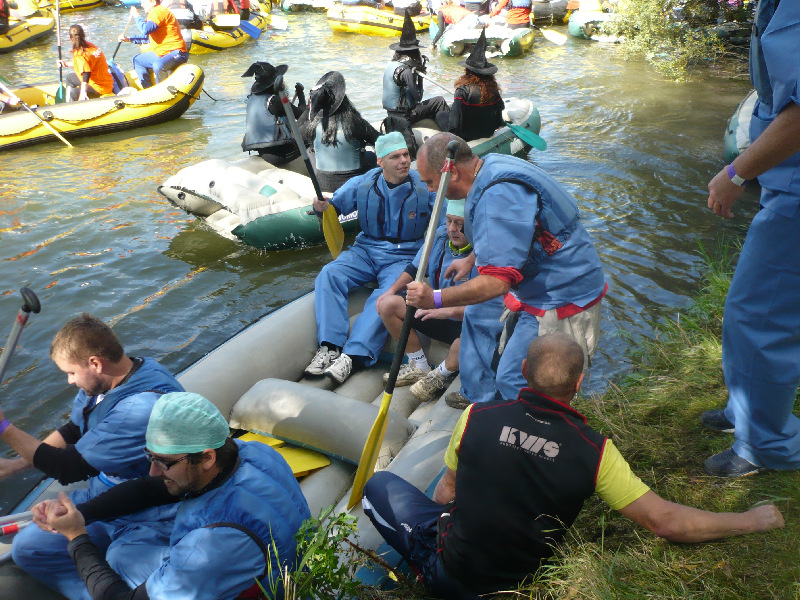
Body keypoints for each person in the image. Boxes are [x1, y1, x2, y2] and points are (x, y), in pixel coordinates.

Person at [363, 332, 786, 600]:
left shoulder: (475, 418)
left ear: (524, 371)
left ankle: (421, 570)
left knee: (379, 486)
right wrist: (750, 520)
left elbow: (446, 494)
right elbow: (667, 522)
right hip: (519, 579)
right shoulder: (595, 451)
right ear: (579, 383)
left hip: (452, 575)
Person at [32, 392, 311, 600]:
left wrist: (77, 537)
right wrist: (84, 514)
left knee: (119, 557)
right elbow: (152, 487)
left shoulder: (212, 547)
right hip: (269, 560)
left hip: (250, 584)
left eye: (163, 462)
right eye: (150, 457)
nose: (153, 471)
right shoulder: (253, 452)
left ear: (207, 458)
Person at [408, 132, 607, 409]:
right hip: (532, 281)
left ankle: (524, 430)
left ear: (450, 173)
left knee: (515, 376)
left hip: (559, 292)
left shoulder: (498, 192)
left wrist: (436, 299)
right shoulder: (487, 166)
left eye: (430, 182)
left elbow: (497, 284)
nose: (430, 190)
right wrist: (471, 259)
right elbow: (509, 230)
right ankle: (480, 399)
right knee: (478, 313)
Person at [1, 314, 184, 600]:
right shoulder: (101, 385)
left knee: (122, 563)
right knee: (27, 550)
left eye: (71, 372)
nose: (70, 380)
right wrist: (15, 465)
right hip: (104, 492)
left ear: (95, 363)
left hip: (150, 512)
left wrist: (4, 427)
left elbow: (69, 468)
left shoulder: (140, 408)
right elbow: (73, 430)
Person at [700, 0, 800, 478]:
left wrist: (736, 173)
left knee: (762, 315)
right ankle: (746, 412)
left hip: (797, 190)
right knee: (749, 308)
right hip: (786, 181)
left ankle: (767, 446)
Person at [304, 132, 437, 385]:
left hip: (404, 254)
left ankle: (353, 354)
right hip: (366, 250)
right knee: (330, 274)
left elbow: (439, 228)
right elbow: (335, 207)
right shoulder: (363, 183)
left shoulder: (425, 184)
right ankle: (330, 346)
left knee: (386, 295)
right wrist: (321, 206)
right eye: (395, 157)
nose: (403, 161)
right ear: (380, 162)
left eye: (406, 155)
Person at [376, 199, 492, 403]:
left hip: (467, 319)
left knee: (466, 338)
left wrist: (447, 311)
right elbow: (414, 268)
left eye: (459, 223)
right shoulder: (438, 237)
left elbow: (488, 308)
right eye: (449, 221)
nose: (452, 229)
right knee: (389, 305)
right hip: (434, 309)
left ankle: (439, 376)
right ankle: (418, 365)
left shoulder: (487, 252)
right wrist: (391, 291)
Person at [301, 70, 380, 193]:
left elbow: (294, 137)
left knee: (310, 151)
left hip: (324, 185)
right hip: (353, 183)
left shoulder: (312, 125)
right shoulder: (355, 121)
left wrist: (309, 110)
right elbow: (379, 140)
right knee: (371, 155)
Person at [382, 10, 449, 154]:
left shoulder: (392, 65)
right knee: (439, 101)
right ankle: (451, 134)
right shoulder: (406, 71)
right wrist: (420, 77)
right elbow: (417, 96)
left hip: (391, 113)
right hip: (404, 116)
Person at [442, 29, 505, 141]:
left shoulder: (462, 91)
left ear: (468, 71)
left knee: (442, 114)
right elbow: (500, 112)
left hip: (467, 137)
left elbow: (454, 120)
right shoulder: (493, 90)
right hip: (487, 133)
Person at [241, 61, 307, 166]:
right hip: (279, 156)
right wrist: (301, 95)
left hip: (262, 152)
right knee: (311, 126)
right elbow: (302, 116)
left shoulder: (251, 99)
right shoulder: (275, 100)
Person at [119, 0, 189, 89]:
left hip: (177, 53)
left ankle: (162, 91)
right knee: (138, 60)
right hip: (162, 54)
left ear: (153, 3)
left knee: (158, 65)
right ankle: (148, 89)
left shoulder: (159, 11)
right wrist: (128, 39)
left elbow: (146, 30)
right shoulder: (152, 15)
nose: (142, 5)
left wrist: (137, 16)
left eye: (144, 2)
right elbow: (146, 37)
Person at [57, 25, 114, 103]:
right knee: (69, 77)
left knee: (73, 93)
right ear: (84, 35)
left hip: (99, 87)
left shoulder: (80, 54)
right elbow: (84, 64)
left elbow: (86, 73)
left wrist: (83, 92)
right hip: (103, 80)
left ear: (70, 38)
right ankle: (68, 101)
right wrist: (65, 64)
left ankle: (73, 107)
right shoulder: (90, 46)